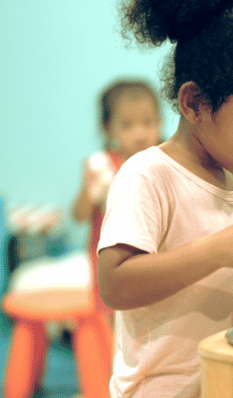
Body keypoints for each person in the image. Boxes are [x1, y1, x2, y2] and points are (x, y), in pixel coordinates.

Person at [96, 0, 233, 396]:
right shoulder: (148, 175)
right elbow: (115, 284)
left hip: (220, 381)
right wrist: (221, 250)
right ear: (195, 104)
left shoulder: (231, 180)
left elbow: (202, 258)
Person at [72, 79, 162, 318]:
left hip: (152, 255)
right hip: (110, 259)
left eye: (148, 123)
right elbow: (79, 216)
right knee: (113, 316)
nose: (140, 133)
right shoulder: (101, 166)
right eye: (128, 125)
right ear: (108, 128)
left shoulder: (162, 162)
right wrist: (88, 188)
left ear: (160, 122)